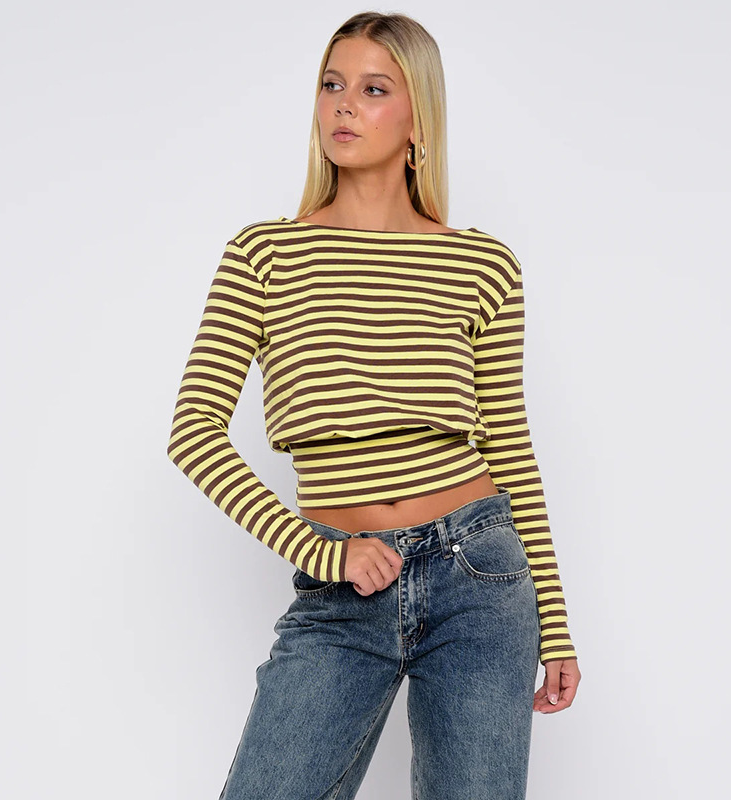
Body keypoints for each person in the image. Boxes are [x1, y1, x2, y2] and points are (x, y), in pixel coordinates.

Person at [167, 10, 581, 800]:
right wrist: (324, 552)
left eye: (373, 89)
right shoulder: (265, 254)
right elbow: (194, 432)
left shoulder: (481, 264)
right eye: (332, 85)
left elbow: (510, 447)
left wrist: (555, 625)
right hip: (340, 584)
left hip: (479, 575)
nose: (344, 105)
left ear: (419, 119)